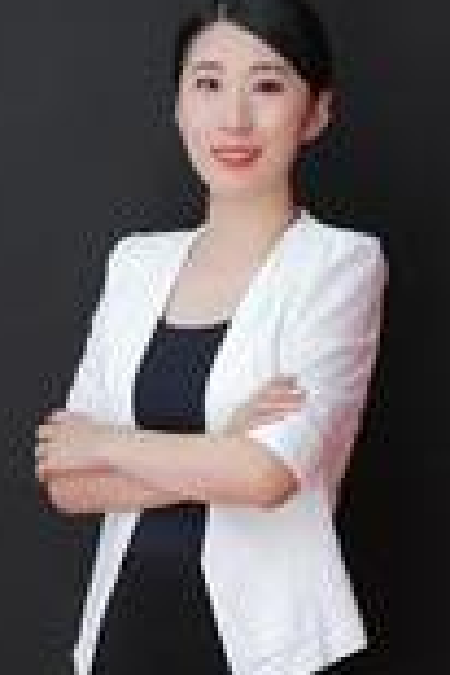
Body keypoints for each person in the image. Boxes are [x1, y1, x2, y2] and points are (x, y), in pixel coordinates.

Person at [36, 1, 388, 674]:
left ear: (315, 113)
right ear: (178, 106)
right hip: (124, 632)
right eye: (208, 83)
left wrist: (106, 444)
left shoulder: (340, 263)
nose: (234, 117)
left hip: (269, 646)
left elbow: (265, 476)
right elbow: (67, 480)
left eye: (267, 84)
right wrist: (221, 442)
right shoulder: (136, 263)